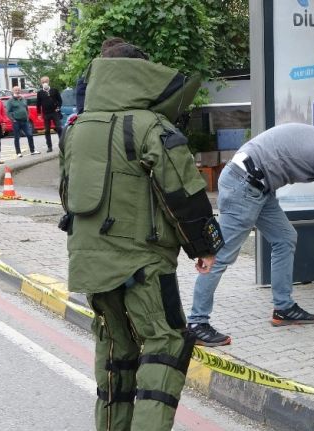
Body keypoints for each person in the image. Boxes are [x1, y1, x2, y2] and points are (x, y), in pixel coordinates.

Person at [59, 39, 223, 431]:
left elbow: (67, 196)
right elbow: (182, 191)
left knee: (116, 349)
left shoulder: (76, 129)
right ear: (138, 76)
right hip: (143, 262)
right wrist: (205, 245)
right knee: (166, 343)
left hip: (88, 261)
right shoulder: (150, 126)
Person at [187, 123, 314, 345]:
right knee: (220, 255)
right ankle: (196, 323)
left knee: (284, 238)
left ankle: (283, 308)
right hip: (244, 185)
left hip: (256, 184)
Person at [6, 86, 39, 157]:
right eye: (16, 90)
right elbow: (8, 112)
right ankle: (18, 152)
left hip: (25, 121)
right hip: (16, 122)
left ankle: (32, 150)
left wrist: (27, 117)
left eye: (18, 90)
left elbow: (26, 109)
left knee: (30, 135)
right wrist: (13, 119)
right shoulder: (10, 101)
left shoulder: (23, 99)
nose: (17, 91)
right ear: (13, 91)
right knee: (17, 137)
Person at [36, 76, 62, 152]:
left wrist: (58, 107)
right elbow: (38, 104)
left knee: (59, 128)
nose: (45, 83)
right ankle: (49, 147)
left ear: (48, 82)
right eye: (43, 82)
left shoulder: (54, 90)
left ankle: (62, 144)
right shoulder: (40, 93)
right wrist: (39, 114)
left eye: (46, 81)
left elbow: (60, 100)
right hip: (46, 113)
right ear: (41, 83)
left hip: (54, 112)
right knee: (47, 130)